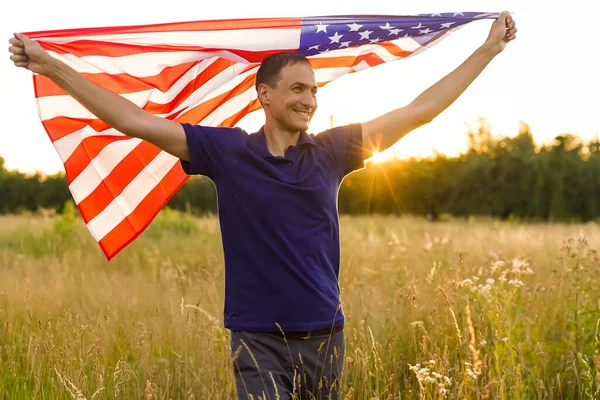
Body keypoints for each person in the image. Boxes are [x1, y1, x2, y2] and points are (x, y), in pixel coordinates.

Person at [8, 11, 517, 399]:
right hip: (259, 340)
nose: (309, 100)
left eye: (314, 90)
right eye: (297, 89)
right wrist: (52, 66)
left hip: (326, 336)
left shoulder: (334, 150)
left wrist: (487, 51)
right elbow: (132, 120)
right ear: (264, 96)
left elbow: (419, 111)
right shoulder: (226, 152)